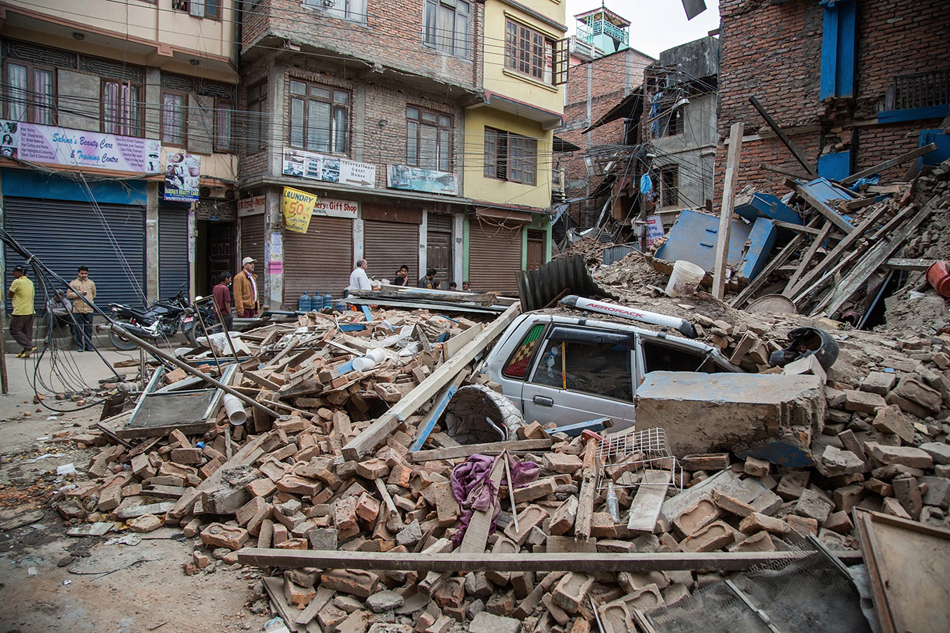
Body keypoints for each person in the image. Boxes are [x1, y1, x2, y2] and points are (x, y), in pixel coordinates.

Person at [66, 266, 96, 351]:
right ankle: (79, 346)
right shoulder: (73, 283)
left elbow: (93, 295)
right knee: (78, 329)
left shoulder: (91, 283)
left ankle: (88, 346)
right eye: (82, 273)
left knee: (88, 329)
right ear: (78, 273)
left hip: (88, 309)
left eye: (85, 273)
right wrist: (79, 294)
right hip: (77, 309)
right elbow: (69, 295)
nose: (84, 275)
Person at [7, 266, 35, 357]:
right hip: (30, 311)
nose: (13, 273)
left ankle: (29, 346)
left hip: (20, 311)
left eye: (14, 271)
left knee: (14, 330)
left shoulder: (17, 282)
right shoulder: (30, 282)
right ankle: (26, 351)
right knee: (27, 332)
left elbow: (9, 295)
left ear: (19, 272)